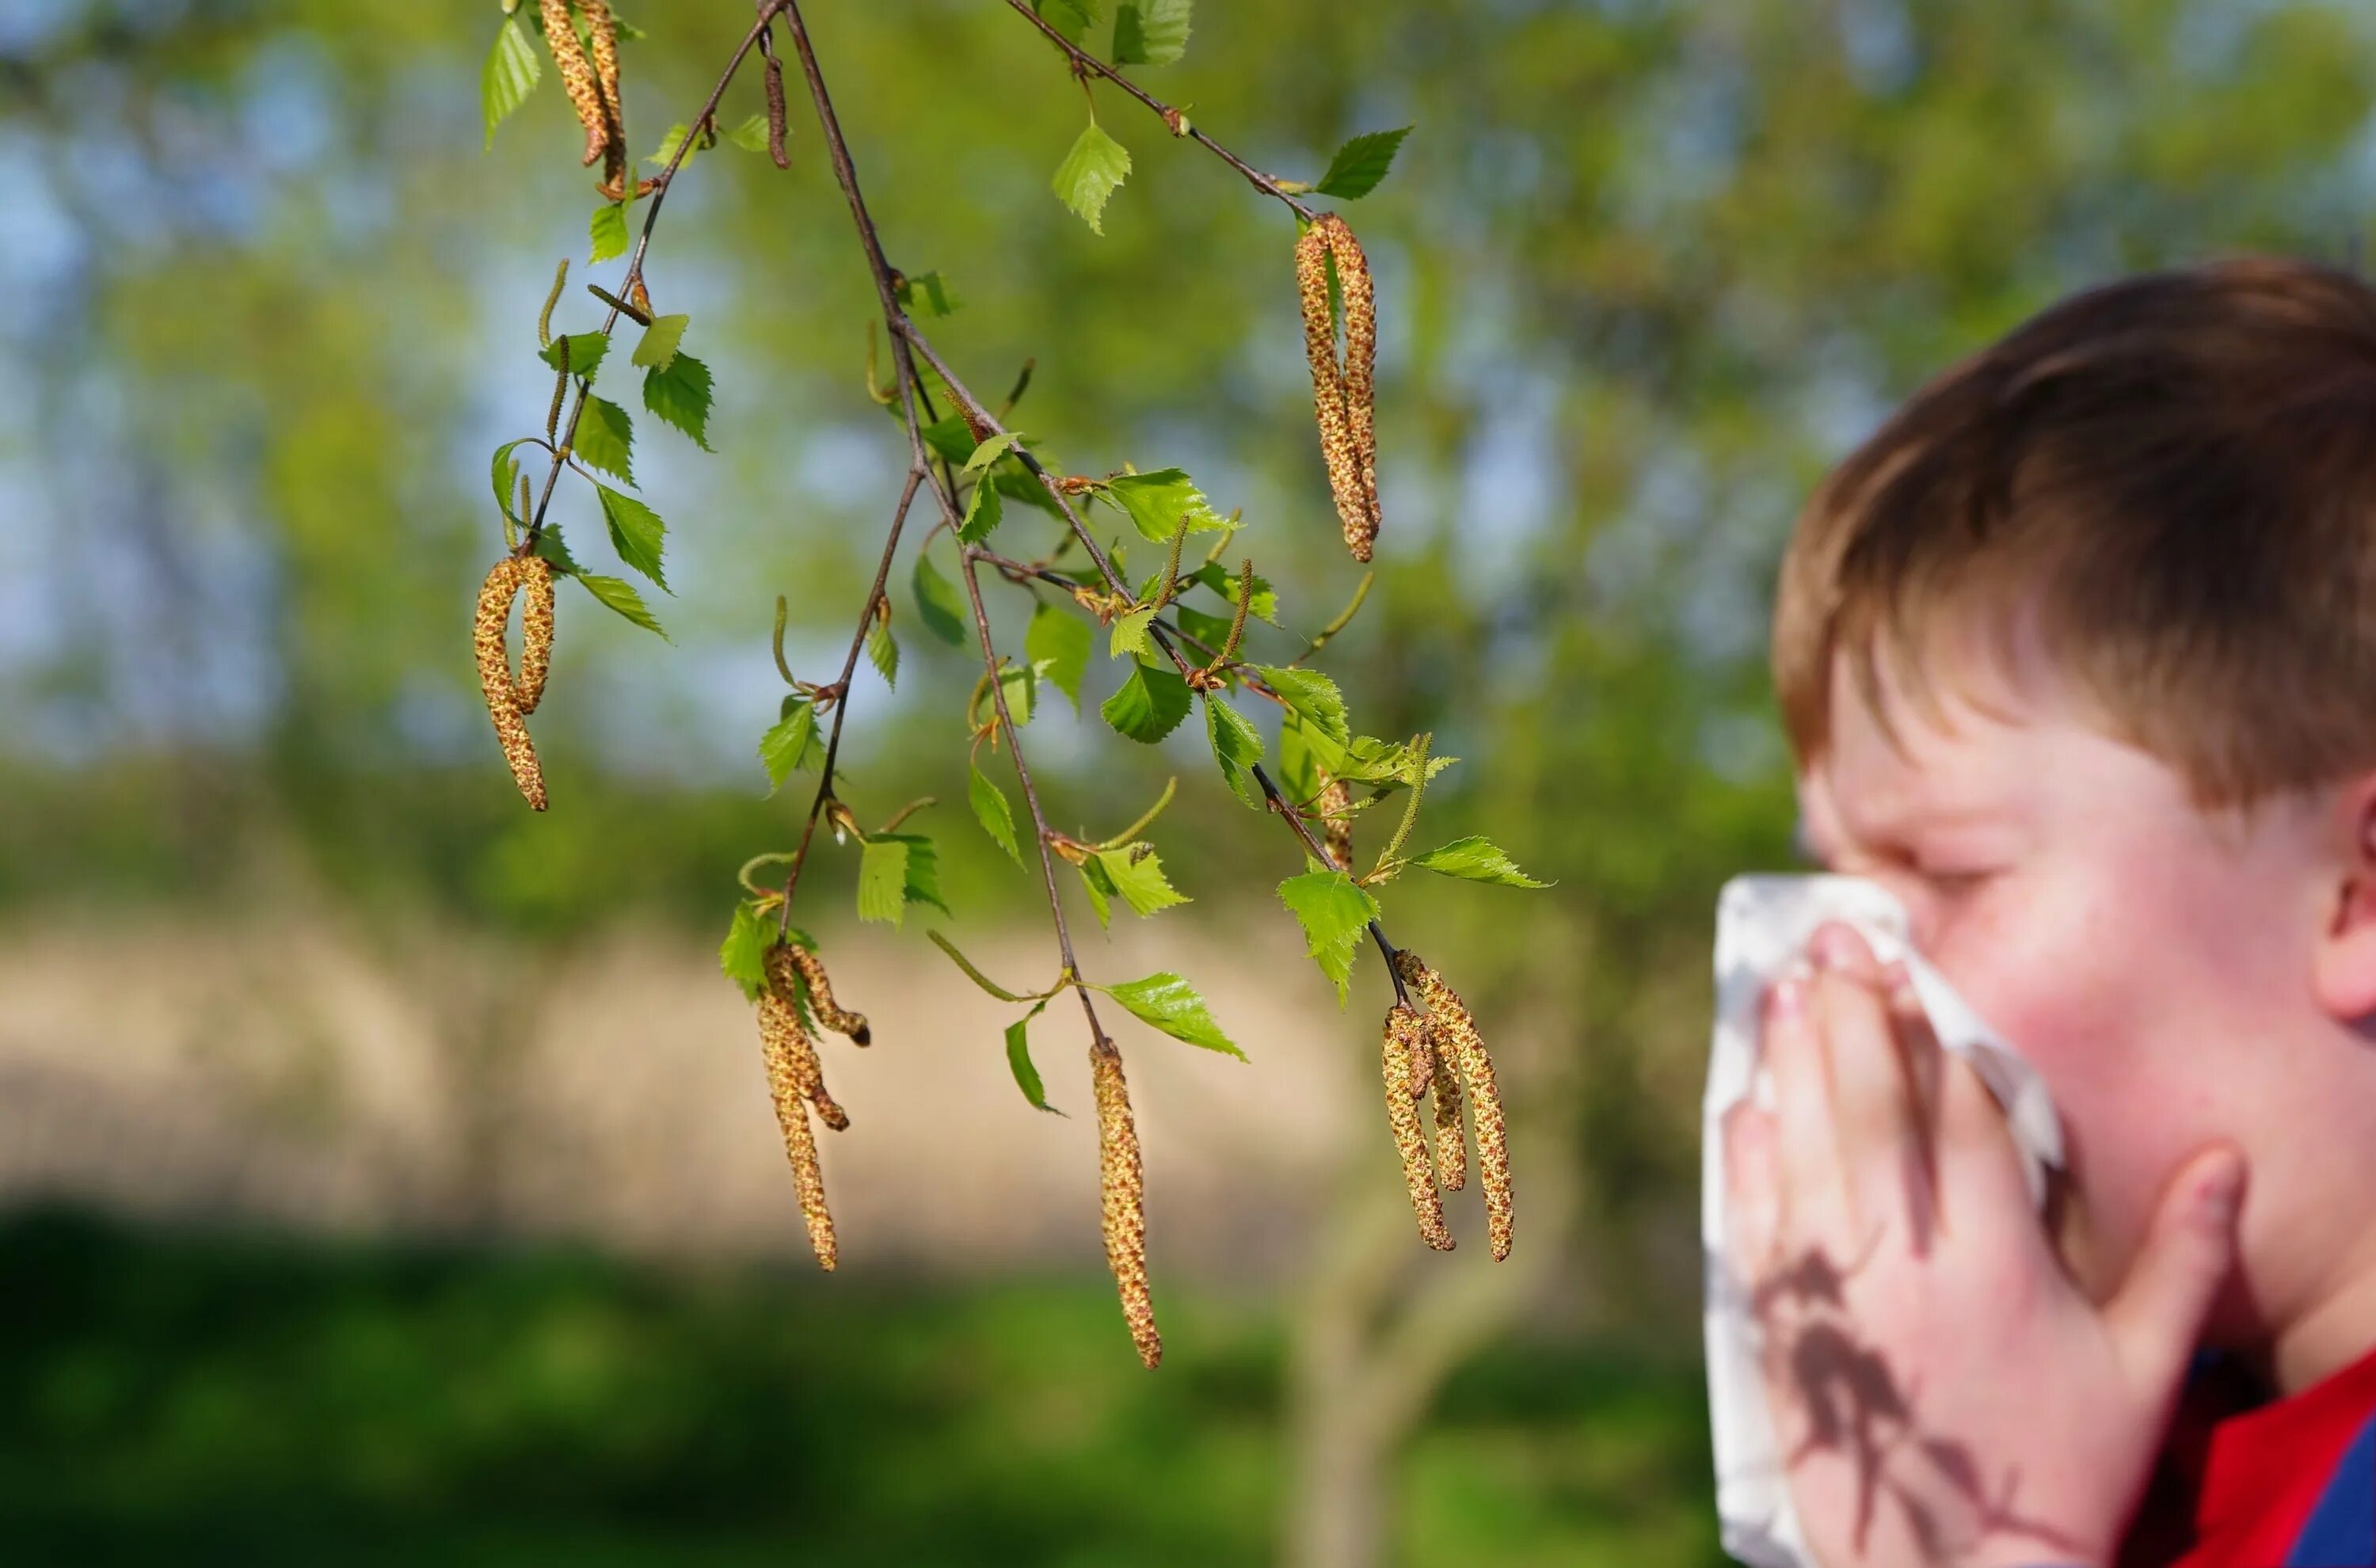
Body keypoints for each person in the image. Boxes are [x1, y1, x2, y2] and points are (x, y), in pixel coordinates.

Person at [1722, 257, 2376, 1568]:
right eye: (1836, 877)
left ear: (2359, 899)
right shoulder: (2120, 1442)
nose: (1839, 967)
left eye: (1947, 875)